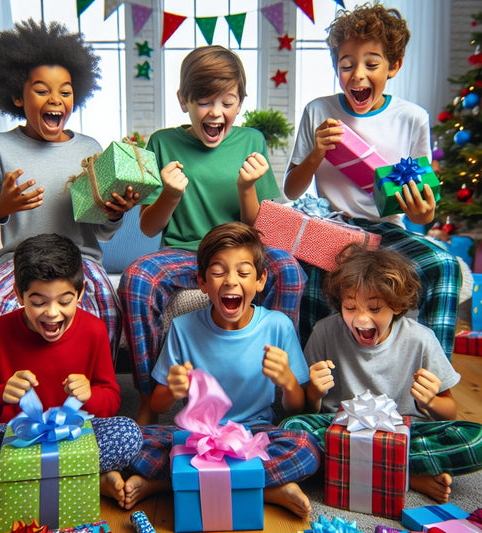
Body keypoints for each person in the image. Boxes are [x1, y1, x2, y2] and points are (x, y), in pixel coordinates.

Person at [118, 45, 306, 425]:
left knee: (288, 268)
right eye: (204, 101)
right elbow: (148, 227)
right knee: (136, 279)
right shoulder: (162, 142)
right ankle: (146, 397)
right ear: (183, 100)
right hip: (185, 253)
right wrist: (171, 193)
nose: (216, 112)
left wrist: (246, 189)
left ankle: (276, 390)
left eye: (228, 101)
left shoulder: (251, 140)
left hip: (240, 252)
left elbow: (262, 228)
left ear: (241, 101)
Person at [0, 19, 138, 364]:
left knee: (105, 322)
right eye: (42, 90)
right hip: (17, 262)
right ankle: (9, 397)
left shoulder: (89, 148)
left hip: (80, 262)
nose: (56, 100)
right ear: (16, 96)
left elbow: (102, 231)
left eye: (65, 92)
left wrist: (114, 212)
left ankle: (82, 398)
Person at [284, 4, 460, 359]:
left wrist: (424, 212)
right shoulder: (318, 111)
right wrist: (317, 152)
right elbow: (291, 190)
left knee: (445, 265)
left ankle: (432, 383)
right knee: (315, 276)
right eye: (346, 65)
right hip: (331, 227)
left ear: (393, 66)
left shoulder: (412, 118)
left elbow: (424, 215)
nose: (357, 74)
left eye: (371, 63)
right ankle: (310, 386)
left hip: (387, 230)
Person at [121, 222, 320, 521]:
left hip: (253, 434)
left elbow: (298, 407)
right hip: (196, 439)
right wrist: (173, 390)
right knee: (128, 440)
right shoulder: (183, 328)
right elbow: (159, 406)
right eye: (218, 272)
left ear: (261, 280)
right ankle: (261, 487)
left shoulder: (277, 325)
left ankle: (170, 483)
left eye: (243, 273)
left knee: (307, 446)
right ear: (202, 282)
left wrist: (289, 383)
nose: (230, 281)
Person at [0, 233, 143, 515]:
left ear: (80, 292)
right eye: (39, 302)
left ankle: (7, 484)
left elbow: (111, 401)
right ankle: (82, 477)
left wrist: (90, 395)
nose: (52, 313)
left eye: (65, 301)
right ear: (19, 295)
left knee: (129, 434)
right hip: (12, 441)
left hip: (74, 438)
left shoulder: (94, 331)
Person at [280, 244, 482, 504]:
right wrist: (315, 393)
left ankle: (360, 469)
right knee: (290, 429)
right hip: (341, 431)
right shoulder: (324, 332)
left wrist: (430, 402)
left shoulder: (421, 339)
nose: (361, 319)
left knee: (476, 438)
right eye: (350, 307)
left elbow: (450, 411)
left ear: (396, 306)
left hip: (405, 432)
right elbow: (306, 411)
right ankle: (408, 474)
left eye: (374, 309)